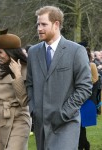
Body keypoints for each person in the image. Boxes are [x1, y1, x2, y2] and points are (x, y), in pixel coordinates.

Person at [26, 6, 92, 150]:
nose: (39, 28)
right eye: (38, 24)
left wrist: (64, 113)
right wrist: (34, 109)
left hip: (66, 124)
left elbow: (85, 87)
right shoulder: (33, 52)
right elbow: (29, 84)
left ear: (56, 24)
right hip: (41, 125)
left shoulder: (76, 51)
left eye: (44, 24)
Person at [78, 47, 99, 150]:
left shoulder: (91, 65)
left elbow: (95, 80)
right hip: (78, 99)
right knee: (79, 125)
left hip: (87, 99)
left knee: (81, 124)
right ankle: (84, 144)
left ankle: (83, 144)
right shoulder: (77, 64)